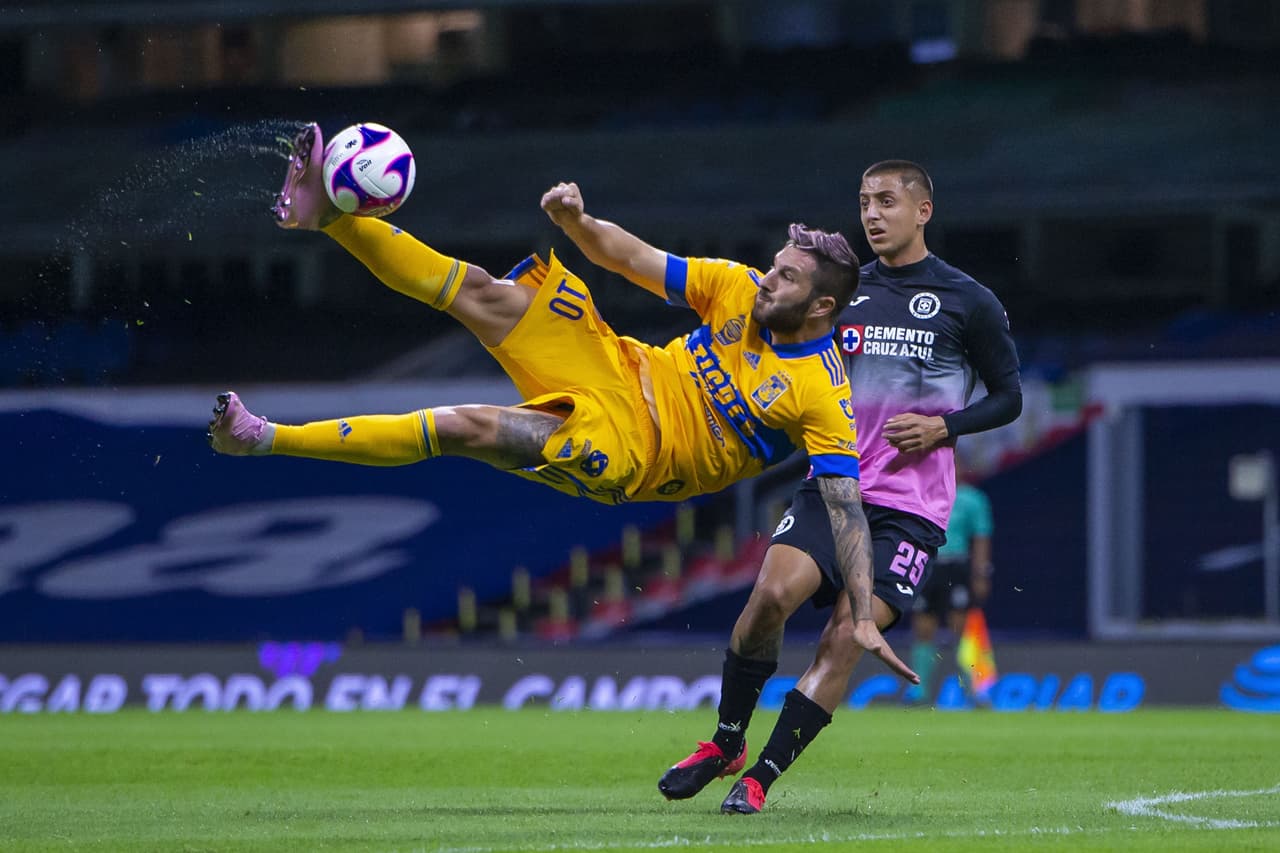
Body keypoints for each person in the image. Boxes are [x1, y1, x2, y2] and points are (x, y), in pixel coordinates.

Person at [207, 122, 920, 683]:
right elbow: (631, 259)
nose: (767, 281)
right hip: (618, 365)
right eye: (773, 267)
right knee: (485, 291)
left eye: (786, 279)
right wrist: (579, 222)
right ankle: (324, 217)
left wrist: (861, 608)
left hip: (632, 450)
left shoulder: (822, 394)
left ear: (822, 305)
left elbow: (846, 504)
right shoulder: (736, 286)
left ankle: (265, 437)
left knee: (465, 424)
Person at [660, 160, 1021, 815]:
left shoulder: (968, 301)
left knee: (846, 637)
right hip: (835, 487)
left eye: (886, 200)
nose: (873, 214)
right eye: (864, 202)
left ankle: (761, 777)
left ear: (923, 211)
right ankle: (727, 740)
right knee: (769, 595)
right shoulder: (841, 290)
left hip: (911, 512)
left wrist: (945, 428)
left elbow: (1009, 398)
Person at [902, 454, 995, 705]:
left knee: (961, 629)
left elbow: (981, 538)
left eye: (954, 463)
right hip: (928, 565)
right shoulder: (921, 494)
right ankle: (919, 691)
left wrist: (981, 573)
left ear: (962, 467)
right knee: (923, 629)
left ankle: (977, 689)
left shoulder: (972, 499)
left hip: (957, 567)